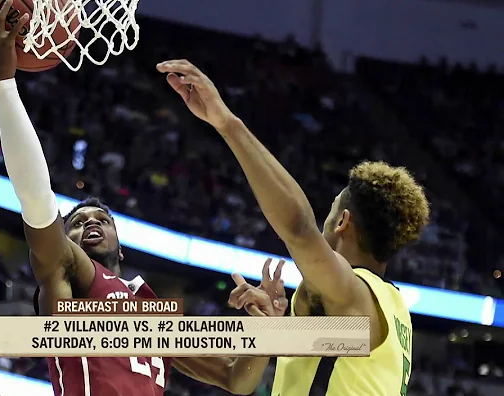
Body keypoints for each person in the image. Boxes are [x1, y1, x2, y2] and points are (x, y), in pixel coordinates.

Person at [0, 0, 285, 394]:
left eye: (102, 221)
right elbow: (37, 202)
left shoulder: (150, 315)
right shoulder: (68, 277)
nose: (90, 224)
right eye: (76, 224)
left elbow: (236, 378)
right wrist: (5, 85)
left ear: (120, 249)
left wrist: (264, 329)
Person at [159, 59, 429, 395]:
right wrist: (280, 328)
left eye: (330, 213)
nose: (322, 224)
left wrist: (227, 123)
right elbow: (243, 372)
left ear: (343, 222)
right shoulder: (391, 307)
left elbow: (299, 229)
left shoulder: (352, 292)